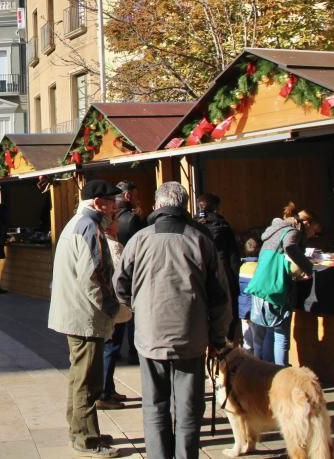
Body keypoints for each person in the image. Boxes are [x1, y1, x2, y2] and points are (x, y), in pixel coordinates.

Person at [114, 181, 231, 459]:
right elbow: (220, 298)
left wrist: (140, 307)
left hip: (150, 335)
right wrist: (217, 338)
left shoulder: (138, 241)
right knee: (189, 406)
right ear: (184, 206)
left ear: (157, 206)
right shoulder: (200, 240)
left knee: (154, 405)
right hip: (190, 335)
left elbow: (120, 286)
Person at [47, 180, 123, 458]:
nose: (115, 207)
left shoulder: (78, 223)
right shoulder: (89, 228)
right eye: (111, 202)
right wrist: (113, 310)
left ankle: (80, 429)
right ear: (97, 203)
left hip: (75, 312)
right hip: (84, 315)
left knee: (81, 376)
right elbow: (95, 277)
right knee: (87, 380)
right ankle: (86, 439)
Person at [249, 202, 315, 366]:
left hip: (260, 286)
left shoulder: (274, 231)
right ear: (306, 223)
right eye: (314, 232)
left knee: (266, 332)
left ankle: (263, 371)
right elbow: (290, 247)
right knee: (280, 335)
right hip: (276, 289)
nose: (313, 236)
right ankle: (281, 373)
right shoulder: (292, 232)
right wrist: (308, 267)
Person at [99, 213, 133, 411]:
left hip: (108, 305)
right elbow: (122, 277)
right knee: (111, 348)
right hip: (116, 305)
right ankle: (104, 392)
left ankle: (109, 388)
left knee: (109, 347)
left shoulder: (103, 243)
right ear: (109, 227)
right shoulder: (114, 247)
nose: (119, 224)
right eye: (116, 221)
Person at [195, 192, 240, 342]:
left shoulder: (192, 226)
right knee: (225, 312)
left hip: (198, 272)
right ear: (217, 208)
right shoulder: (224, 226)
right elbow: (233, 256)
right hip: (223, 271)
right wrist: (235, 280)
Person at [114, 181, 145, 364]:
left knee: (118, 312)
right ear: (127, 196)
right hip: (132, 271)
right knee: (132, 313)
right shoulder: (133, 220)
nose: (138, 199)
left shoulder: (110, 217)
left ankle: (115, 348)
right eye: (136, 194)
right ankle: (134, 350)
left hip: (115, 271)